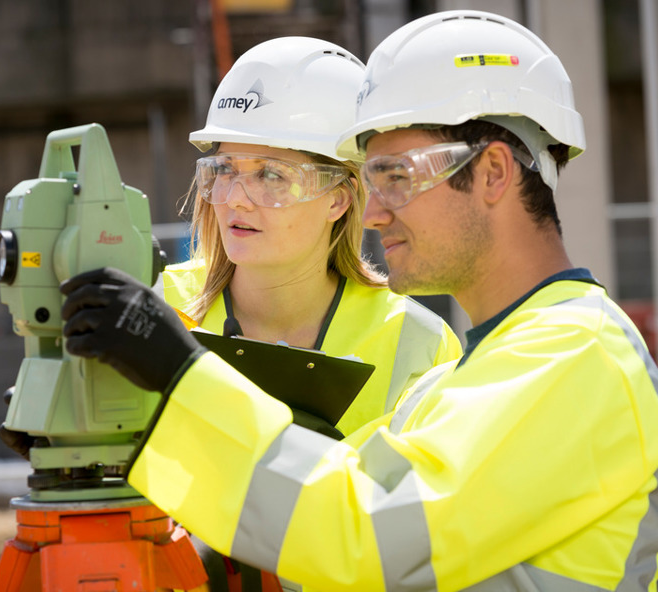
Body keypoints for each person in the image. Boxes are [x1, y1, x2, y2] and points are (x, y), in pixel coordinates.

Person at [59, 10, 658, 592]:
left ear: (491, 173)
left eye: (397, 177)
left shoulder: (573, 355)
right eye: (372, 181)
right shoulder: (463, 378)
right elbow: (325, 507)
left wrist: (179, 377)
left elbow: (368, 531)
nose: (373, 212)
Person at [160, 36, 460, 591]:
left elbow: (426, 546)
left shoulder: (417, 345)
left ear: (340, 198)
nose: (234, 198)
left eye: (271, 174)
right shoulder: (160, 311)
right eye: (225, 169)